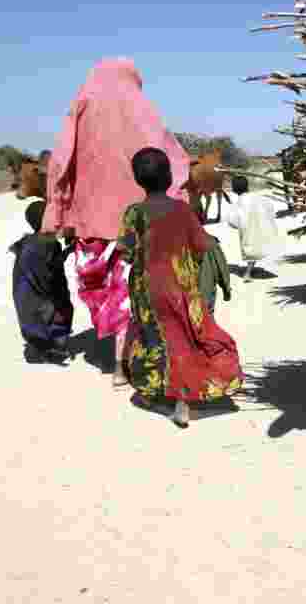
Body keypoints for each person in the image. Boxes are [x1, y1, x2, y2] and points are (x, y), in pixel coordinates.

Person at [41, 59, 191, 386]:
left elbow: (60, 161)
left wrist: (56, 210)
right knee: (135, 292)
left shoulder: (81, 103)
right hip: (143, 223)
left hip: (91, 224)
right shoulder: (142, 108)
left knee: (107, 293)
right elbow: (171, 154)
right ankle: (131, 363)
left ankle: (119, 362)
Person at [118, 148, 243, 429]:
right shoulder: (182, 209)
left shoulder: (134, 213)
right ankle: (184, 402)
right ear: (171, 176)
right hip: (182, 287)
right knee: (188, 339)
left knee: (156, 340)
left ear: (137, 180)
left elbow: (125, 252)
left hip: (147, 290)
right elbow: (201, 246)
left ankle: (160, 395)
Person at [10, 200, 74, 365]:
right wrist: (53, 296)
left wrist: (66, 251)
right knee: (48, 318)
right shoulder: (45, 245)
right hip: (38, 295)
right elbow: (45, 274)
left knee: (39, 321)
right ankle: (41, 352)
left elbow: (50, 265)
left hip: (28, 294)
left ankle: (44, 347)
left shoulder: (34, 242)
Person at [225, 176, 281, 281]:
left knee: (250, 248)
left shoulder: (239, 203)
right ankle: (249, 270)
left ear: (234, 189)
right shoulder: (258, 197)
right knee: (255, 247)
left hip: (248, 229)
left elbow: (232, 220)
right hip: (261, 227)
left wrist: (237, 224)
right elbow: (270, 207)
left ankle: (247, 273)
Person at [197, 232, 232, 314]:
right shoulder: (210, 241)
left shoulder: (171, 242)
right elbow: (221, 268)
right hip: (205, 294)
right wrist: (226, 289)